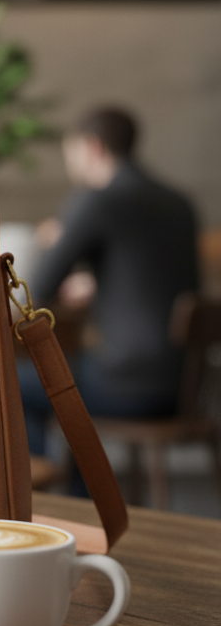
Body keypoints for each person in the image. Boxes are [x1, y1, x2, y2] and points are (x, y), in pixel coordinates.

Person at [18, 106, 199, 484]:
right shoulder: (179, 203)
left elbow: (38, 286)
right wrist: (102, 285)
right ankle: (82, 496)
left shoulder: (98, 200)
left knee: (12, 382)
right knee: (65, 377)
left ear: (92, 147)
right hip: (183, 384)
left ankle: (50, 499)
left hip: (128, 382)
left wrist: (54, 239)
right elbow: (153, 277)